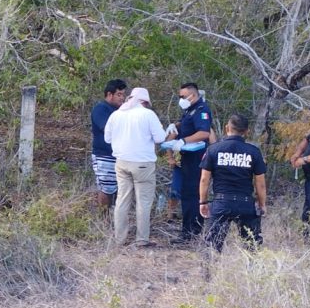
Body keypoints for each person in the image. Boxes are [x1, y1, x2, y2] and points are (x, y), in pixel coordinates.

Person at [103, 87, 167, 247]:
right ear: (144, 101)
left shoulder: (116, 114)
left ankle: (119, 239)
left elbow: (107, 139)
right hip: (143, 164)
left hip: (121, 162)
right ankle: (142, 240)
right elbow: (160, 138)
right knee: (143, 202)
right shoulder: (148, 114)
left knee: (122, 200)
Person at [198, 113, 267, 252]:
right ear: (247, 131)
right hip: (245, 203)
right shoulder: (253, 152)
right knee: (252, 247)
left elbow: (204, 179)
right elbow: (260, 183)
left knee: (212, 247)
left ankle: (210, 266)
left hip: (221, 202)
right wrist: (262, 204)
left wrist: (203, 202)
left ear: (227, 128)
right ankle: (252, 266)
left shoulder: (213, 149)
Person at [171, 82, 213, 244]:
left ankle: (193, 232)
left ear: (193, 95)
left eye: (182, 96)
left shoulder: (202, 110)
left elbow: (203, 133)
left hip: (197, 158)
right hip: (187, 158)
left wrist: (184, 140)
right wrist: (175, 126)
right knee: (187, 194)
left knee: (194, 195)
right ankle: (187, 231)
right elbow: (187, 125)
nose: (180, 99)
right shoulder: (189, 110)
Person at [90, 79, 128, 208]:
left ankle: (113, 216)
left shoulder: (121, 111)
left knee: (118, 189)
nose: (122, 98)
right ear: (109, 94)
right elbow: (107, 128)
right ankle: (103, 218)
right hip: (104, 156)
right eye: (119, 94)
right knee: (106, 190)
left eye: (123, 95)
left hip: (119, 155)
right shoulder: (101, 109)